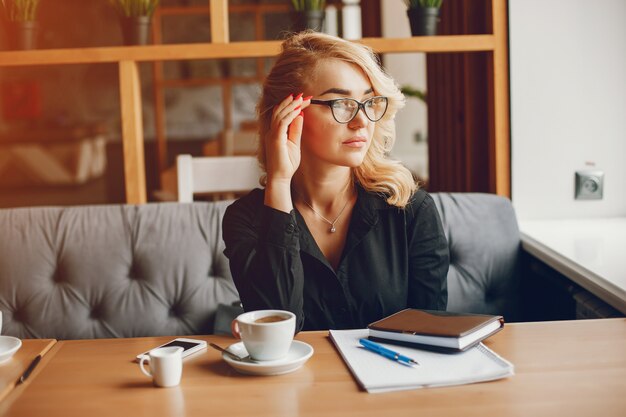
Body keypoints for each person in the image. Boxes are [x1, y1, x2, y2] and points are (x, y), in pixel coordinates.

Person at [223, 31, 449, 331]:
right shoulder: (247, 219)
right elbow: (277, 333)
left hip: (392, 376)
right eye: (340, 103)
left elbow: (430, 336)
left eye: (368, 102)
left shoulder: (410, 210)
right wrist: (279, 181)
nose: (362, 121)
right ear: (288, 113)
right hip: (298, 379)